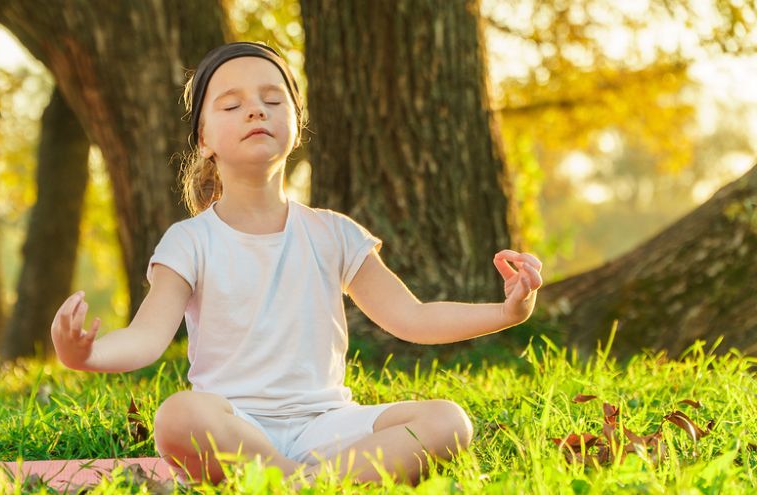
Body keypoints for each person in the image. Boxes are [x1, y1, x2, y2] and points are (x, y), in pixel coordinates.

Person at [50, 42, 544, 486]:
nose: (254, 111)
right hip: (233, 426)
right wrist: (84, 356)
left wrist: (506, 313)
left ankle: (291, 485)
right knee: (177, 418)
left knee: (448, 422)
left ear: (296, 123)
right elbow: (146, 337)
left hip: (327, 426)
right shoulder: (189, 242)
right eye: (231, 104)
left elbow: (411, 317)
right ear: (204, 138)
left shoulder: (334, 233)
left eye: (272, 99)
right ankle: (316, 484)